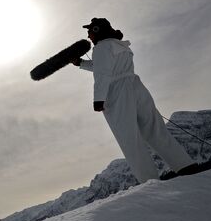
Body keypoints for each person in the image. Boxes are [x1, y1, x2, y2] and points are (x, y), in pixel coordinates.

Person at [71, 18, 198, 183]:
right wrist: (81, 63)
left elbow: (103, 73)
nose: (88, 35)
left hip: (116, 92)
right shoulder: (120, 46)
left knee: (129, 137)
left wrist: (99, 99)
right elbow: (106, 66)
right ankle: (185, 165)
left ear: (96, 30)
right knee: (154, 128)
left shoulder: (101, 48)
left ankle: (149, 180)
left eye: (90, 31)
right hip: (136, 86)